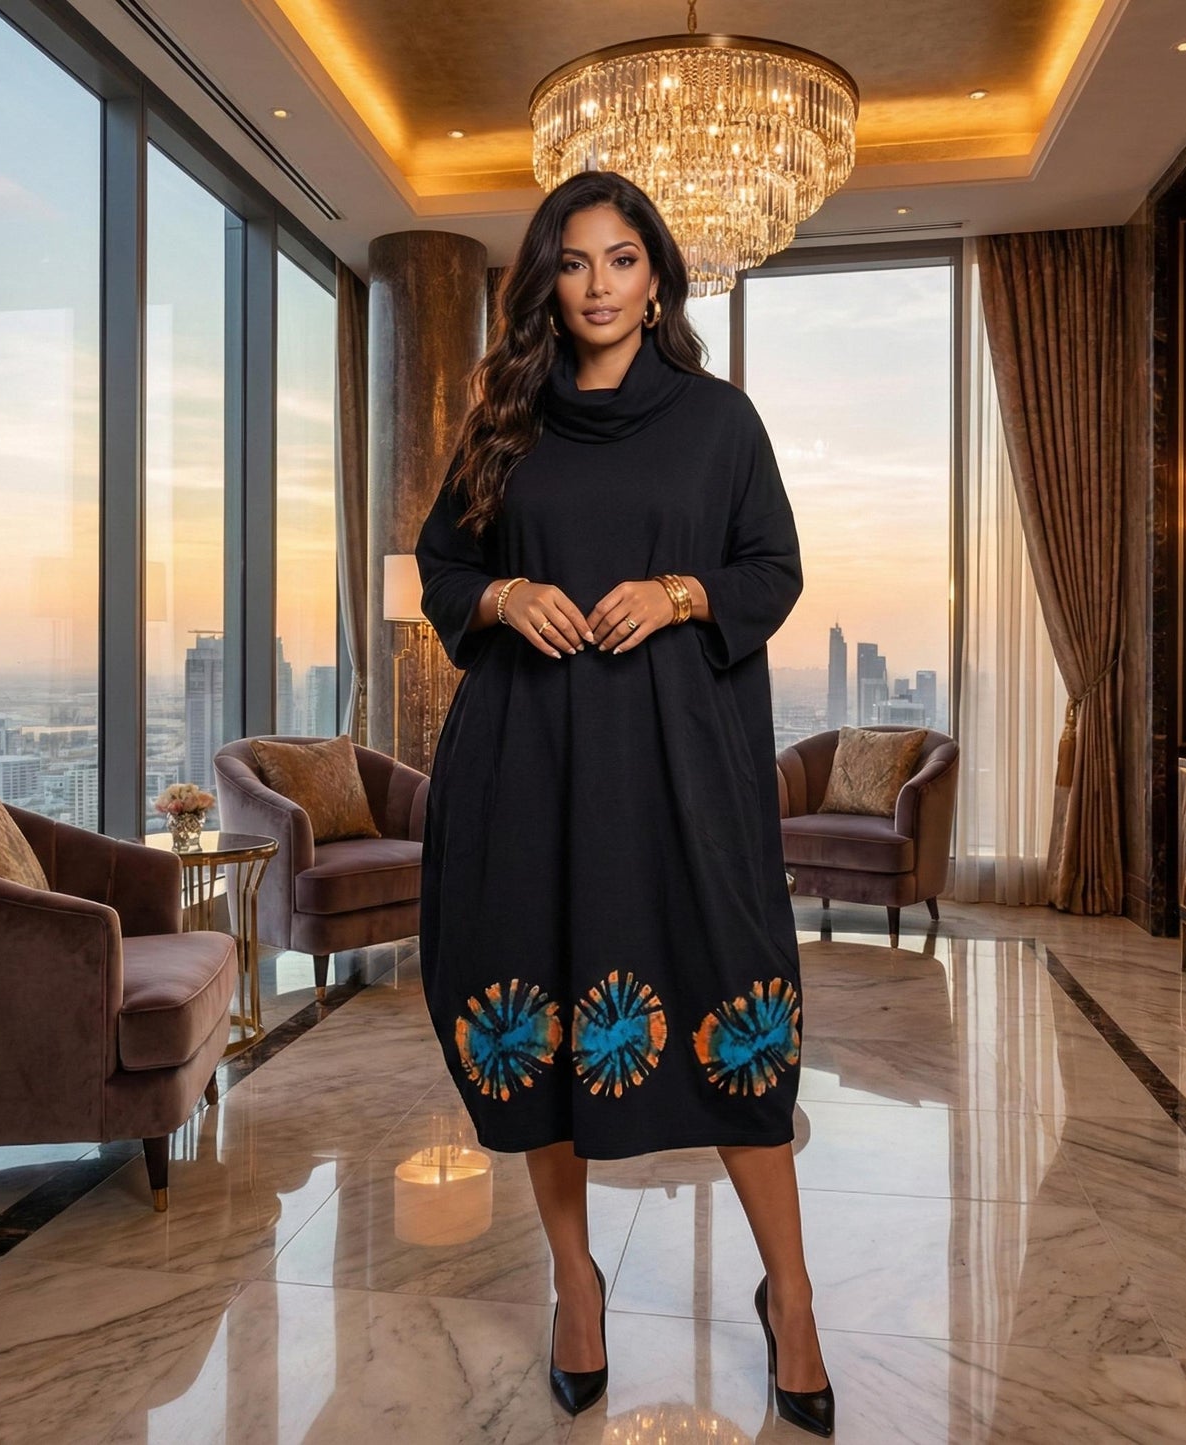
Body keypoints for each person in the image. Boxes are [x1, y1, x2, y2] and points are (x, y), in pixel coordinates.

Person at [414, 170, 832, 1437]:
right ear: (546, 281)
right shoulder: (505, 421)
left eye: (621, 260)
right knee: (539, 1017)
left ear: (656, 281)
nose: (596, 285)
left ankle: (791, 1295)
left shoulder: (717, 422)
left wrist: (680, 592)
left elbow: (772, 566)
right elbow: (443, 563)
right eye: (572, 261)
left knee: (735, 1016)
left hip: (680, 770)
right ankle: (575, 1285)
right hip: (527, 767)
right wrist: (502, 596)